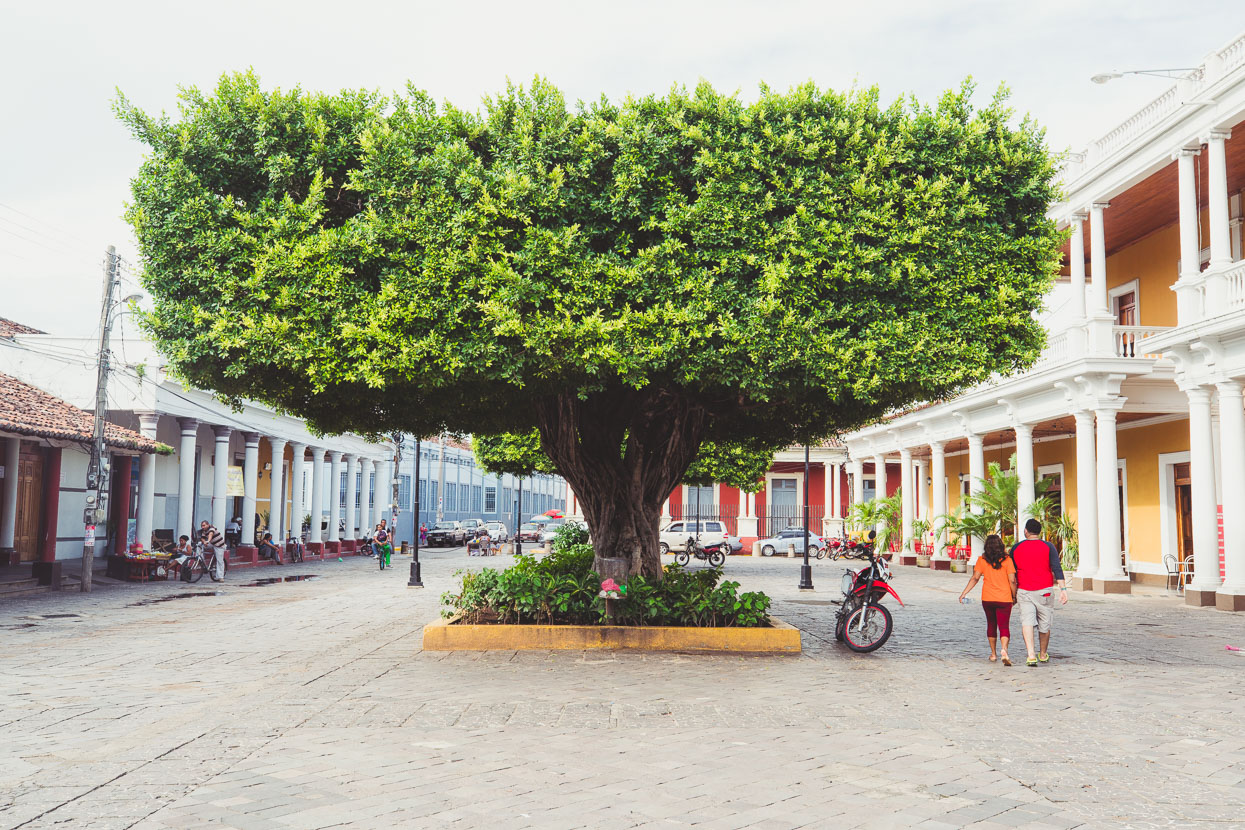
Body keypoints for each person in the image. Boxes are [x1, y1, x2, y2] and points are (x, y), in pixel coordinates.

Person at [1011, 518, 1067, 667]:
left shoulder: (1016, 548)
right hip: (1045, 591)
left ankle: (1031, 655)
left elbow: (1011, 572)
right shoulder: (1049, 547)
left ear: (1026, 531)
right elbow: (1057, 568)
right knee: (1044, 624)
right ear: (1040, 532)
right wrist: (1063, 589)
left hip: (1024, 590)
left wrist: (1011, 592)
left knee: (1027, 622)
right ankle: (1043, 654)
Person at [958, 534, 1018, 666]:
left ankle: (993, 654)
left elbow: (975, 578)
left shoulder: (982, 560)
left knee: (991, 624)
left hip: (988, 598)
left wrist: (964, 593)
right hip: (1004, 598)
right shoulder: (1008, 560)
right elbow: (1012, 580)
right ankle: (1004, 650)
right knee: (1004, 626)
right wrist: (1014, 596)